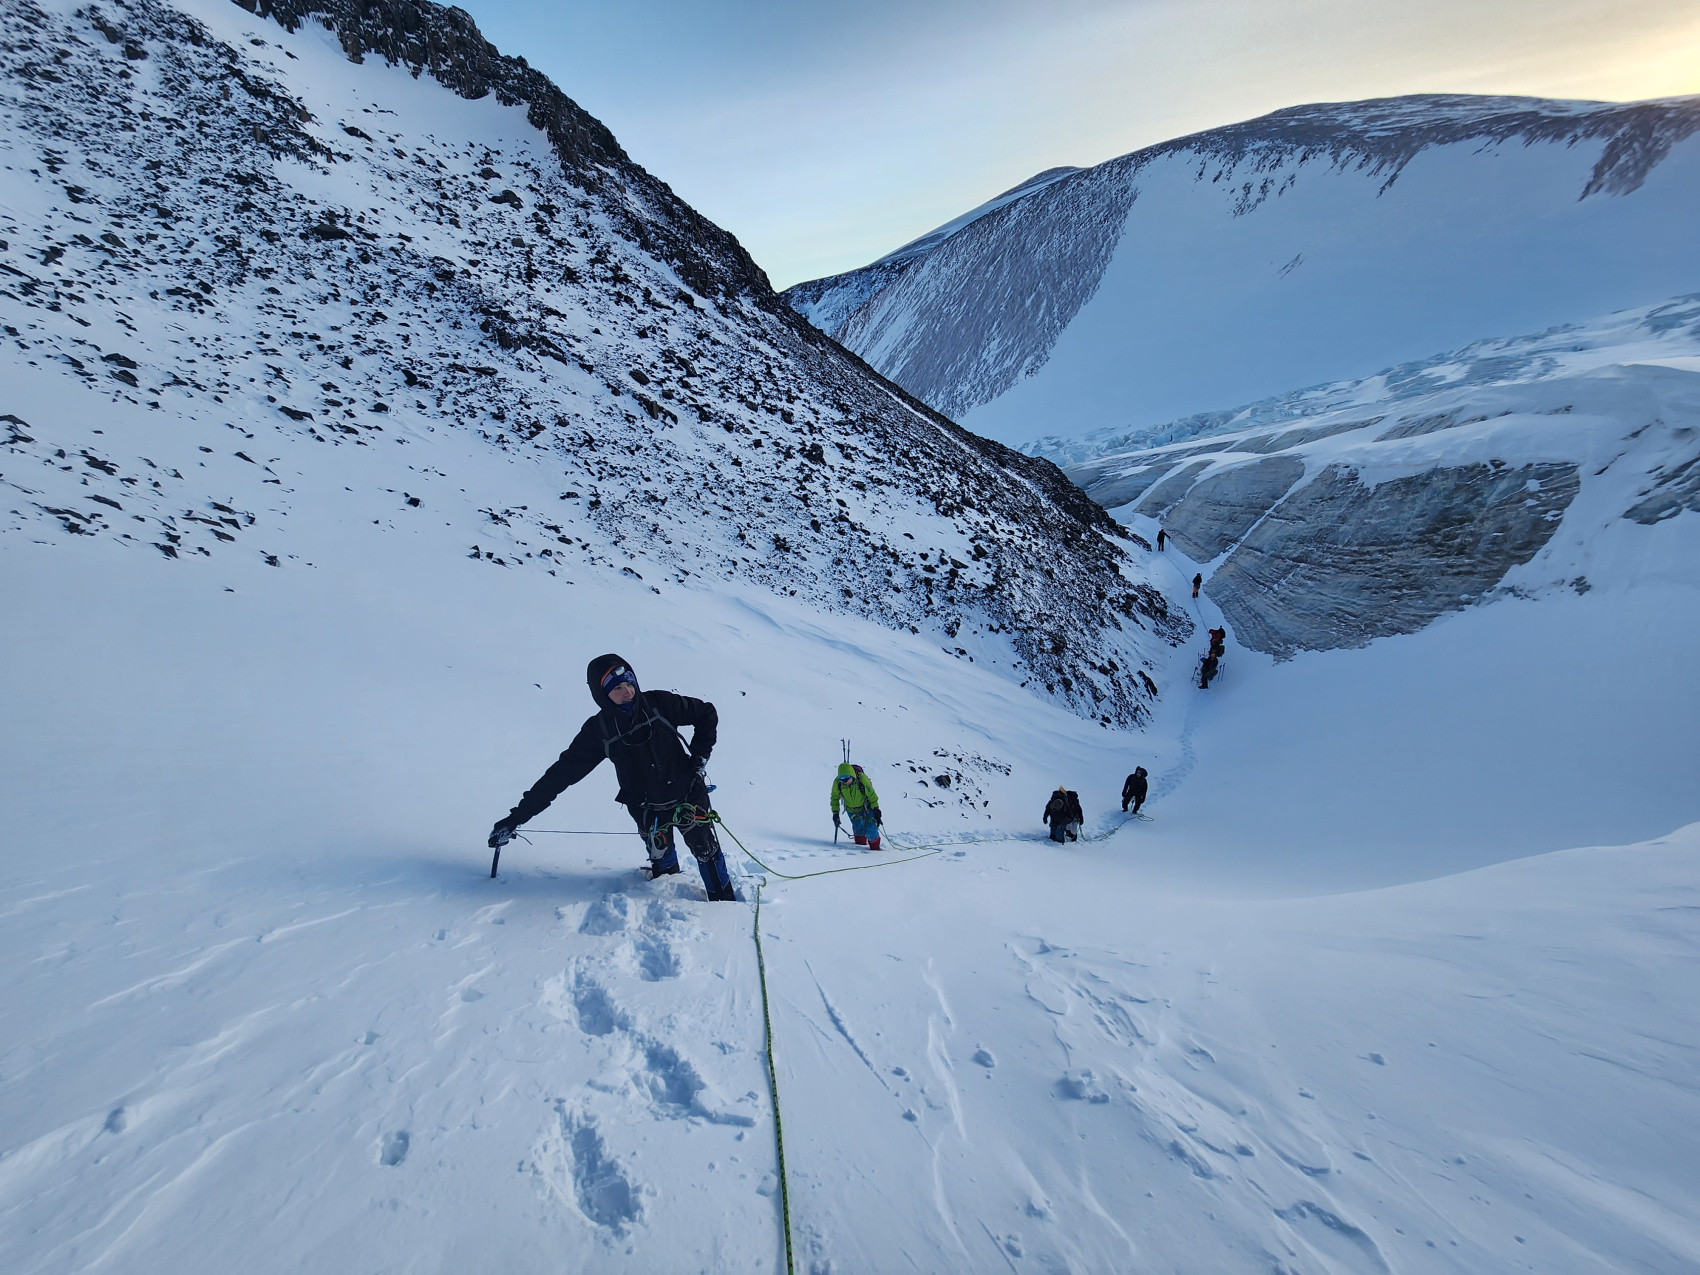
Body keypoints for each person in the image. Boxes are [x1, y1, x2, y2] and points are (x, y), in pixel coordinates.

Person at [486, 654, 736, 901]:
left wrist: (699, 756)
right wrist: (515, 818)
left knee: (706, 851)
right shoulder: (599, 730)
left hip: (688, 796)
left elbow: (705, 713)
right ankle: (665, 892)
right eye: (617, 687)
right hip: (646, 808)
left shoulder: (660, 703)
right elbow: (560, 775)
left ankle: (723, 905)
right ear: (601, 693)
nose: (628, 691)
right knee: (660, 854)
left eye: (629, 683)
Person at [830, 762, 883, 850]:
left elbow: (872, 795)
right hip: (851, 810)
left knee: (871, 832)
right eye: (842, 779)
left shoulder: (862, 779)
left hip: (866, 808)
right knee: (859, 832)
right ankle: (858, 854)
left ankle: (875, 851)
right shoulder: (838, 782)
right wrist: (835, 813)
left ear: (852, 776)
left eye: (846, 779)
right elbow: (834, 798)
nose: (844, 782)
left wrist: (876, 809)